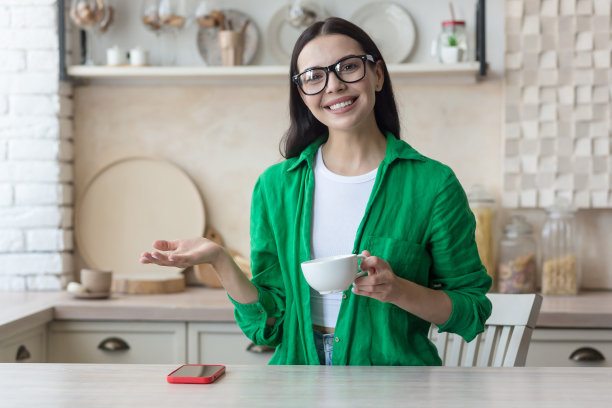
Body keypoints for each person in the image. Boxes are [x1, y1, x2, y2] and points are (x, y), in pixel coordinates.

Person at [140, 17, 492, 366]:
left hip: (395, 385)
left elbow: (472, 309)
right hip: (297, 383)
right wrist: (219, 259)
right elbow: (268, 325)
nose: (334, 85)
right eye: (314, 77)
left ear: (378, 75)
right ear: (302, 94)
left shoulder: (432, 184)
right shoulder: (276, 187)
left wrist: (398, 290)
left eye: (349, 67)